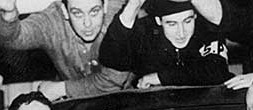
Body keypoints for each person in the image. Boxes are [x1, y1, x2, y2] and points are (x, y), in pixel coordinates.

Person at [0, 0, 131, 100]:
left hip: (127, 97)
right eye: (77, 13)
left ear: (105, 6)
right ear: (65, 11)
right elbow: (13, 39)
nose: (87, 23)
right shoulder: (53, 20)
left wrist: (60, 89)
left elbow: (112, 82)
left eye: (94, 12)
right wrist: (9, 15)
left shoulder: (122, 14)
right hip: (77, 104)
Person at [98, 0, 230, 88]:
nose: (181, 33)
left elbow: (217, 71)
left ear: (195, 16)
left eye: (187, 21)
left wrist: (160, 78)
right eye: (172, 24)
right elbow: (111, 59)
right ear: (158, 21)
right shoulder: (145, 31)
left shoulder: (208, 29)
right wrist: (133, 6)